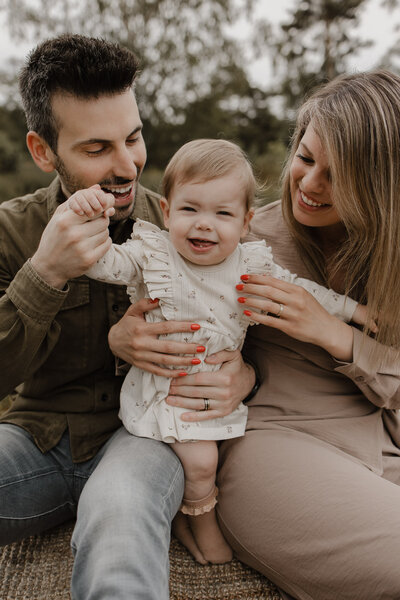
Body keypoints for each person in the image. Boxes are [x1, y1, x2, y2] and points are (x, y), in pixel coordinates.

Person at [128, 70, 400, 599]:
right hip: (281, 445)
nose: (310, 184)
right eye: (305, 157)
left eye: (339, 175)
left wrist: (336, 336)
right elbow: (163, 304)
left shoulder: (392, 261)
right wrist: (128, 339)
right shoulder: (242, 238)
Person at [0, 35, 255, 600]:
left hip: (144, 438)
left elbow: (242, 318)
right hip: (34, 439)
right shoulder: (11, 231)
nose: (126, 165)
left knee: (120, 527)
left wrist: (246, 375)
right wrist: (45, 274)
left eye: (133, 138)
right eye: (96, 148)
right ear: (43, 151)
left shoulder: (184, 224)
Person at [67, 137, 369, 566]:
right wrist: (88, 221)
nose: (204, 224)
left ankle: (187, 512)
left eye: (222, 213)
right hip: (166, 392)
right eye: (190, 209)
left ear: (245, 223)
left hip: (216, 392)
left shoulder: (249, 266)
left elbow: (305, 291)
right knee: (202, 460)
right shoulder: (155, 254)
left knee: (213, 459)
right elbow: (105, 265)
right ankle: (203, 522)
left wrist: (357, 311)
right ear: (167, 211)